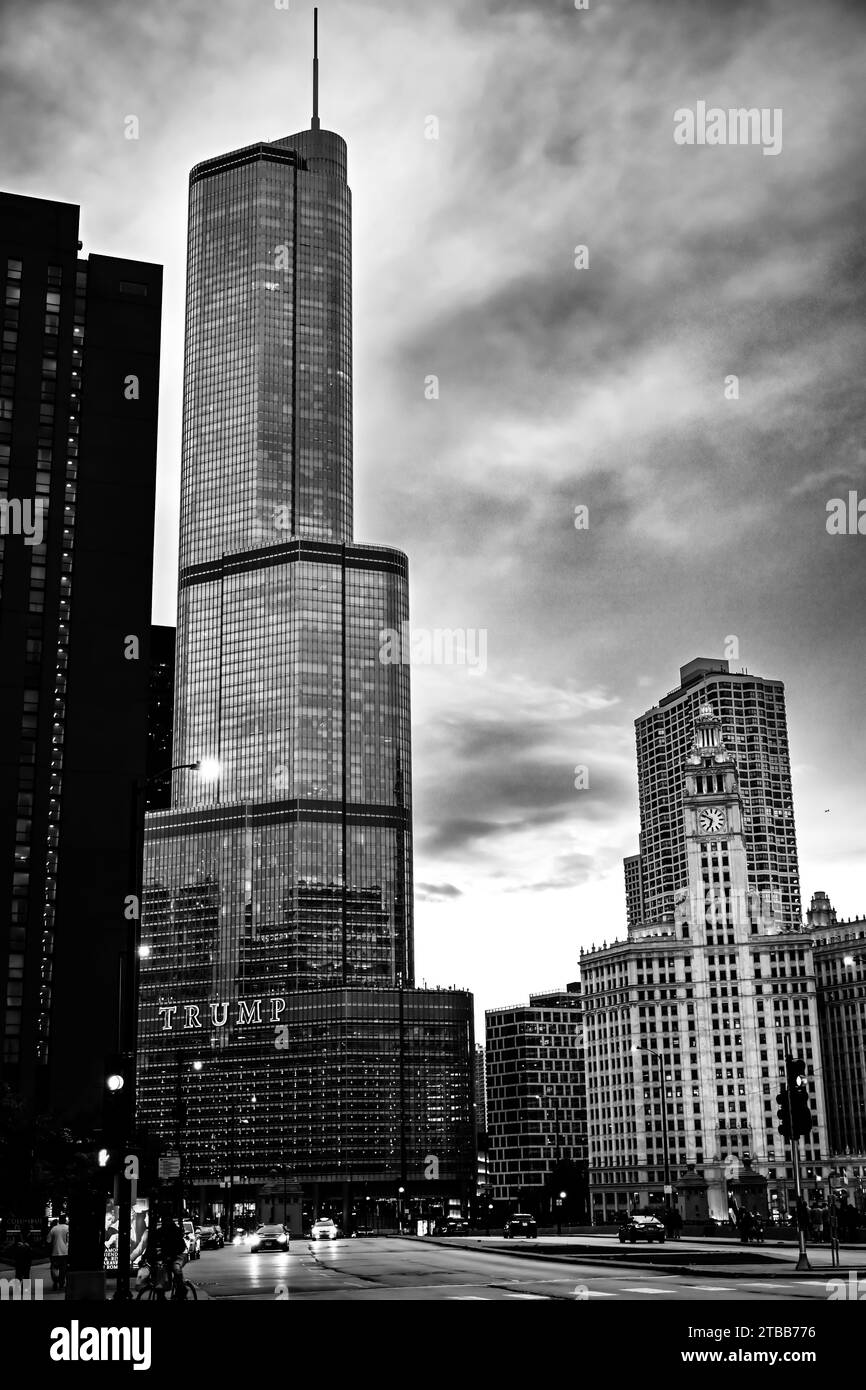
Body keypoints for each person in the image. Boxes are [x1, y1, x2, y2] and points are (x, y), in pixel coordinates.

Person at [145, 1214, 187, 1297]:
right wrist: (145, 1257)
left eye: (167, 1221)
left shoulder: (176, 1231)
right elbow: (151, 1246)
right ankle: (161, 1294)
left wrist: (172, 1255)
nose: (166, 1223)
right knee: (160, 1273)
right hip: (165, 1257)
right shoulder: (159, 1232)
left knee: (176, 1268)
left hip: (178, 1256)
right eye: (164, 1221)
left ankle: (181, 1290)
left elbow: (181, 1247)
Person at [48, 1215, 70, 1290]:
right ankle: (61, 1282)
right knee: (63, 1269)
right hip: (65, 1252)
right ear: (65, 1220)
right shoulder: (68, 1228)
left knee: (54, 1268)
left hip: (55, 1252)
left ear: (59, 1220)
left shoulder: (54, 1229)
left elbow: (48, 1240)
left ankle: (55, 1281)